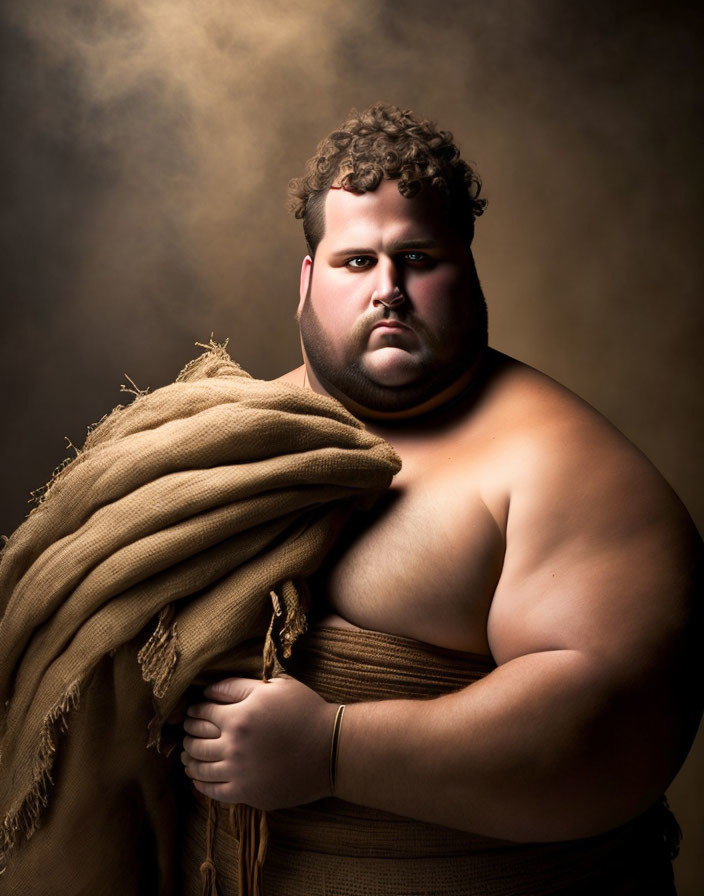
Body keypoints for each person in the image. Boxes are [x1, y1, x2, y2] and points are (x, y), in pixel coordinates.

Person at [178, 102, 701, 893]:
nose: (389, 289)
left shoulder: (564, 468)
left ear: (468, 269)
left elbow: (614, 731)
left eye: (419, 258)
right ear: (308, 281)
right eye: (358, 262)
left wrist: (332, 749)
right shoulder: (220, 435)